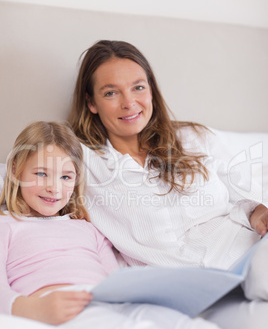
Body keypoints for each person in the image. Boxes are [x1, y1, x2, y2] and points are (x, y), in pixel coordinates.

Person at [2, 122, 266, 329]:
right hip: (61, 304)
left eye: (65, 176)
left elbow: (113, 277)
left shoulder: (85, 227)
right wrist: (32, 309)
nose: (53, 187)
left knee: (179, 325)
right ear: (15, 170)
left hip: (103, 298)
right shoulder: (7, 225)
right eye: (40, 173)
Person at [68, 39, 268, 299]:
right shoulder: (83, 161)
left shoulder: (191, 138)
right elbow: (22, 179)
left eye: (138, 87)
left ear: (151, 91)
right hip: (187, 289)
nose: (129, 103)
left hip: (248, 252)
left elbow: (245, 187)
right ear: (91, 103)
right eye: (111, 93)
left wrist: (256, 212)